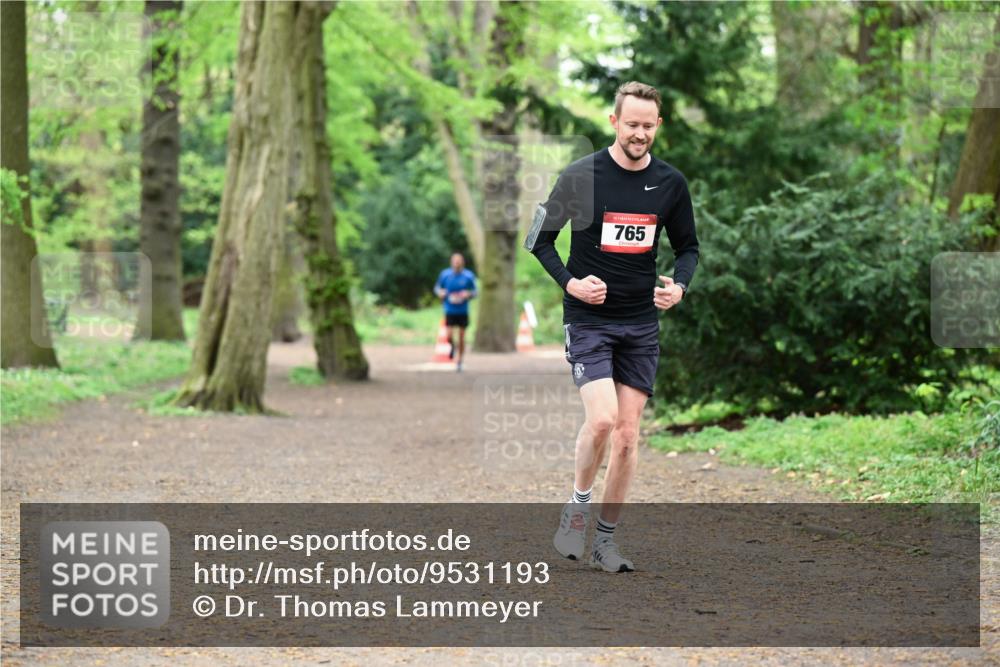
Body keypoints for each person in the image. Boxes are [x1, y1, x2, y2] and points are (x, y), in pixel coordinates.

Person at [529, 81, 699, 572]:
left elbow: (688, 248)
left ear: (657, 126)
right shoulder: (581, 176)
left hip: (640, 323)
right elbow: (538, 239)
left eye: (648, 126)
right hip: (588, 320)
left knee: (627, 435)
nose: (639, 134)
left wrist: (679, 287)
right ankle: (577, 507)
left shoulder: (671, 183)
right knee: (602, 420)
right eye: (632, 125)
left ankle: (605, 540)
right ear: (614, 122)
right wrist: (570, 283)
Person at [434, 252, 477, 372]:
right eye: (455, 261)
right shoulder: (445, 275)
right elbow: (437, 288)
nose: (457, 263)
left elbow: (475, 291)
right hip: (450, 309)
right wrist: (440, 293)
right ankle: (452, 346)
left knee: (462, 336)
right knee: (448, 335)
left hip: (463, 310)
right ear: (451, 262)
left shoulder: (468, 276)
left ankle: (459, 361)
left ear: (462, 262)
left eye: (459, 261)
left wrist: (468, 294)